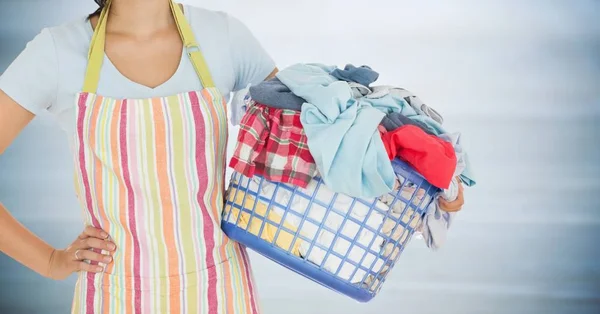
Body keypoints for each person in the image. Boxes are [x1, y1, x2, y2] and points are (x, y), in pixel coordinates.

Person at [0, 0, 465, 313]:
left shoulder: (223, 37)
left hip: (220, 290)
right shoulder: (57, 54)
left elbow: (309, 149)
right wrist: (49, 262)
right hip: (115, 293)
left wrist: (424, 181)